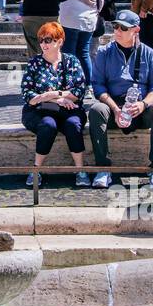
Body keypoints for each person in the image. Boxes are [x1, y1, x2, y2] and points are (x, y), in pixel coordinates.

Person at [88, 11, 153, 189]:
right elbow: (98, 86)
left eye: (123, 28)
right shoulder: (104, 52)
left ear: (136, 30)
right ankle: (103, 168)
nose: (117, 31)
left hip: (140, 108)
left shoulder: (148, 53)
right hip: (114, 106)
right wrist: (115, 109)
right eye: (115, 26)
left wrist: (143, 104)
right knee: (96, 110)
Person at [21, 21, 89, 188]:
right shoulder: (34, 63)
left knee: (73, 124)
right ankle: (36, 169)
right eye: (41, 40)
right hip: (39, 112)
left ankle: (80, 170)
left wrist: (48, 95)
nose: (44, 44)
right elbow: (28, 95)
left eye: (48, 40)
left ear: (60, 41)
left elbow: (79, 90)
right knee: (48, 125)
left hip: (69, 111)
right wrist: (56, 98)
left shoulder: (71, 61)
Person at [59, 0, 104, 90]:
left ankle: (70, 84)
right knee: (84, 52)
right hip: (89, 19)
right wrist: (96, 11)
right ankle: (89, 85)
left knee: (69, 52)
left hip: (70, 19)